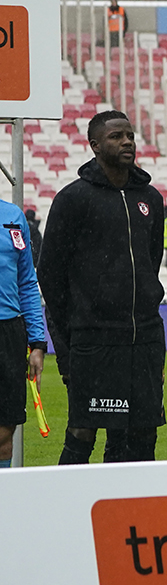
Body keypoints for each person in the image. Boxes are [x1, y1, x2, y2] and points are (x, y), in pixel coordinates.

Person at [40, 110, 166, 465]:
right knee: (82, 433)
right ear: (94, 146)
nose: (127, 141)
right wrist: (70, 338)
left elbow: (150, 260)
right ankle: (67, 513)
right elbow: (50, 274)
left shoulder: (150, 198)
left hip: (145, 338)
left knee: (142, 434)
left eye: (130, 135)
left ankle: (134, 516)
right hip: (94, 340)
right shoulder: (73, 199)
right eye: (116, 137)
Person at [0, 196, 46, 469]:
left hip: (9, 333)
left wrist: (37, 342)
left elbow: (27, 281)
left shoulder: (13, 216)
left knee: (6, 432)